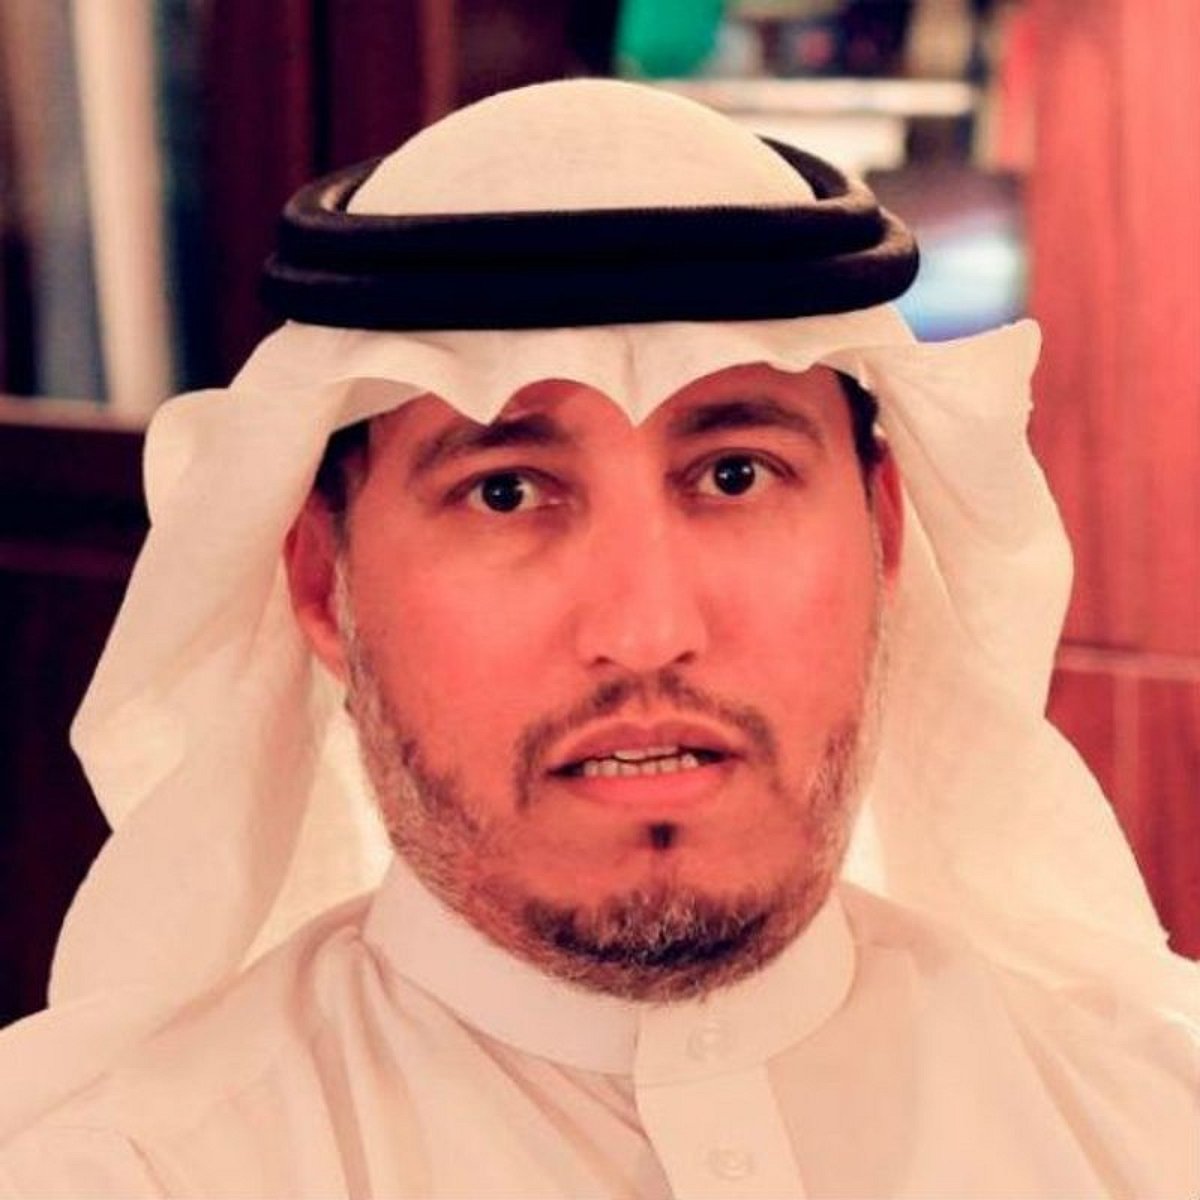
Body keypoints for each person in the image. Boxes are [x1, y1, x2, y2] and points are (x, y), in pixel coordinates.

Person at [1, 78, 1197, 1199]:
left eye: (735, 473)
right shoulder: (124, 1171)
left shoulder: (1148, 1118)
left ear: (884, 538)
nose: (647, 632)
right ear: (325, 585)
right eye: (506, 492)